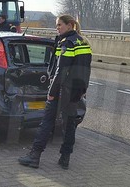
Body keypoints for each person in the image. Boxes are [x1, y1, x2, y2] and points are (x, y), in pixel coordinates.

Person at [18, 14, 92, 170]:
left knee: (47, 122)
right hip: (75, 91)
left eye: (59, 25)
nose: (57, 28)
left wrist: (51, 91)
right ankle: (65, 158)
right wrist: (82, 90)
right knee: (69, 124)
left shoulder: (67, 43)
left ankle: (34, 156)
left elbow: (60, 71)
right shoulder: (84, 43)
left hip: (61, 89)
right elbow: (86, 71)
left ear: (70, 25)